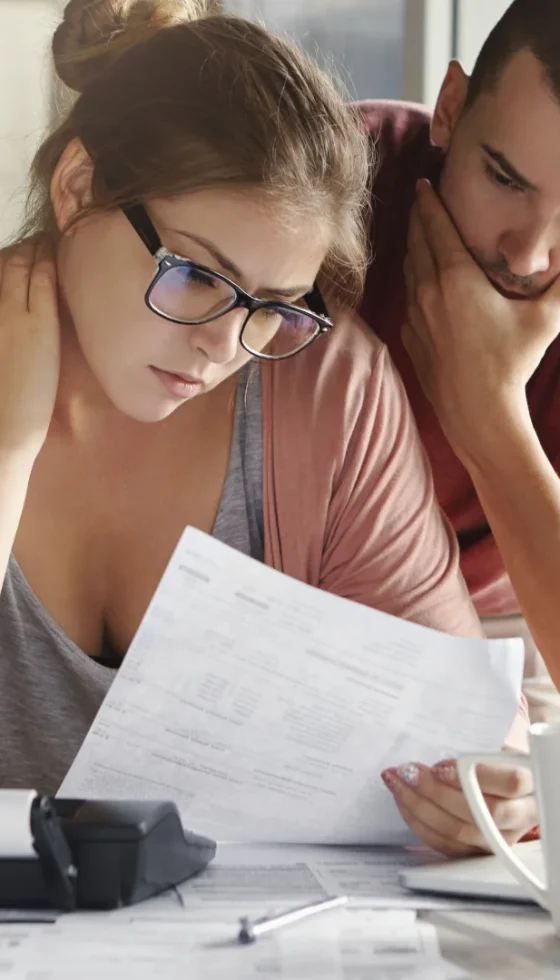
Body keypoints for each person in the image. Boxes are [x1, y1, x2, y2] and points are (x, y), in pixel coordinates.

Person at [0, 0, 529, 855]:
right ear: (78, 189)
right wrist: (7, 450)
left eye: (274, 306)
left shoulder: (324, 386)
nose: (221, 345)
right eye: (197, 276)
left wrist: (488, 796)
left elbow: (457, 733)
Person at [358, 0, 560, 841]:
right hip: (303, 590)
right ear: (448, 108)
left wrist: (488, 415)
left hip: (517, 619)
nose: (531, 253)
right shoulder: (332, 178)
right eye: (506, 180)